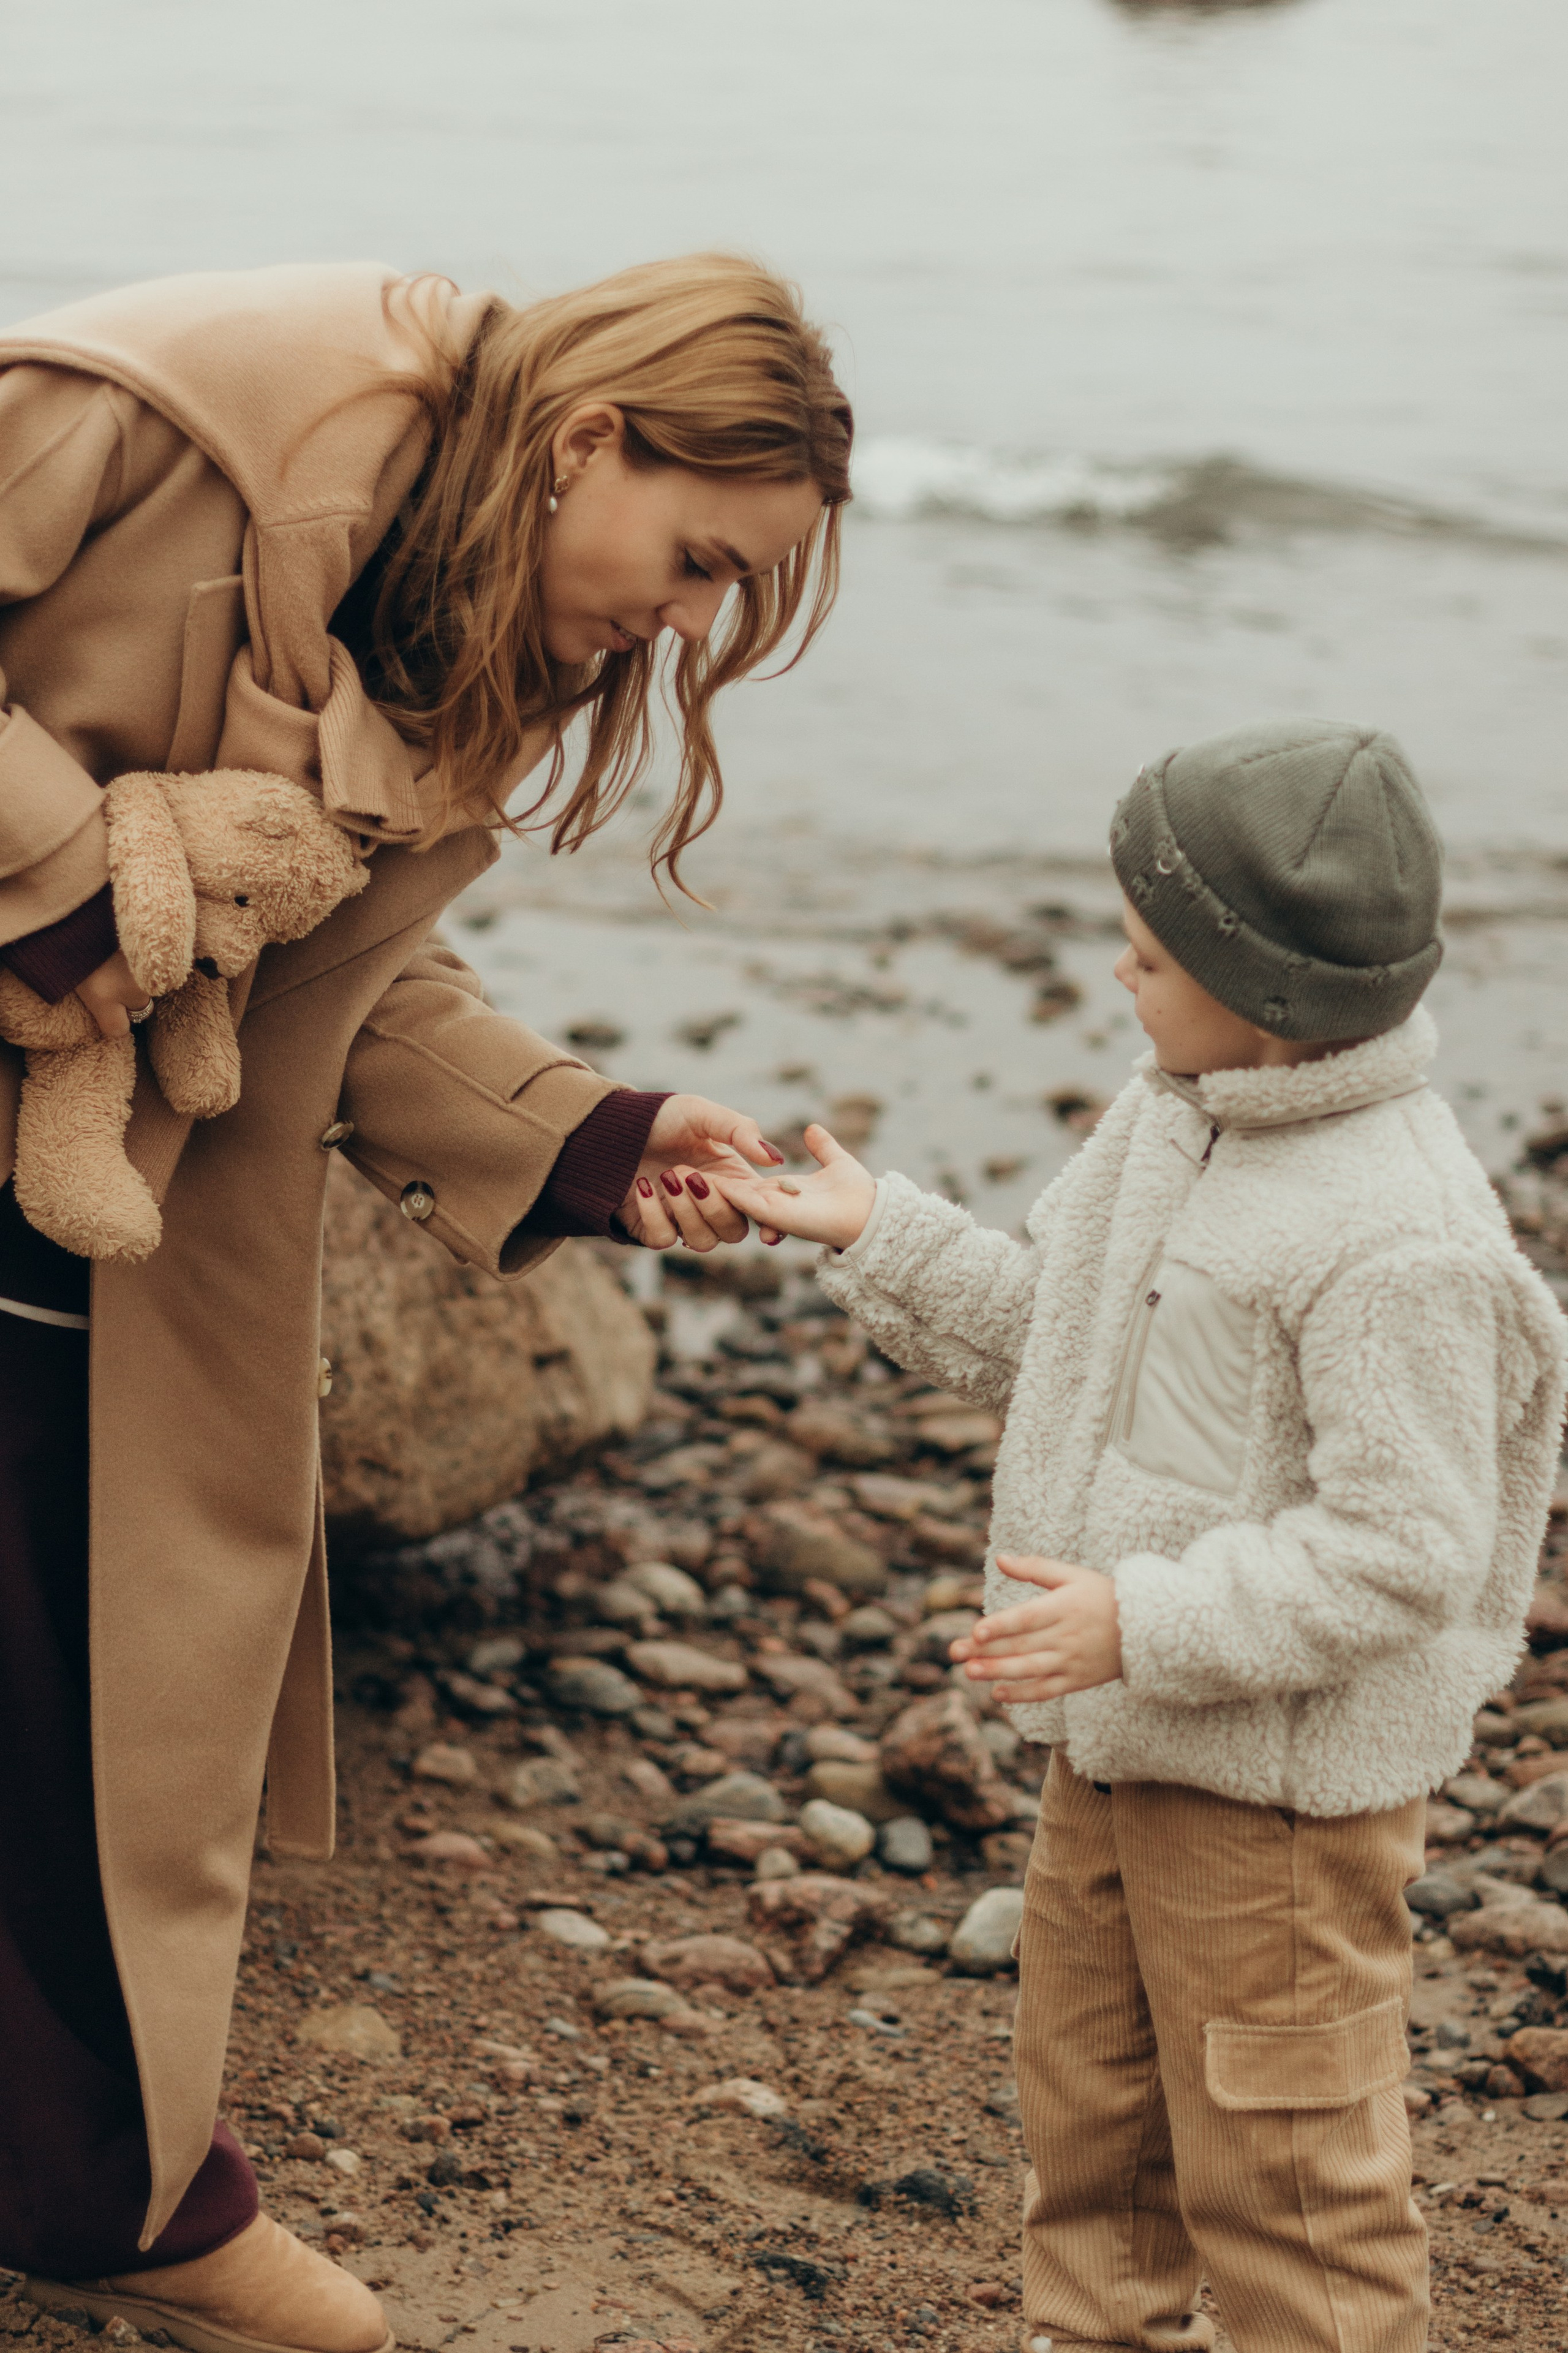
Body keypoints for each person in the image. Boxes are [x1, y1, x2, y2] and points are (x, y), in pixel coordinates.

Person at [0, 254, 851, 2350]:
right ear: (591, 441)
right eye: (699, 559)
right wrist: (70, 878)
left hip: (93, 1210)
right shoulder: (168, 413)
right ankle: (115, 2201)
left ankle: (108, 2194)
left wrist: (590, 1134)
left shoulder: (459, 604)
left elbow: (332, 974)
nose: (692, 625)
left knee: (83, 1696)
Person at [714, 718, 1568, 2353]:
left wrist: (1146, 1620)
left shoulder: (1399, 1237)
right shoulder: (1177, 1114)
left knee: (1289, 2168)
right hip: (1115, 1750)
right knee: (1092, 2115)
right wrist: (877, 1231)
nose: (1119, 974)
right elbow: (1066, 1337)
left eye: (1152, 956)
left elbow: (1408, 1548)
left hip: (1278, 1807)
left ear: (1268, 993)